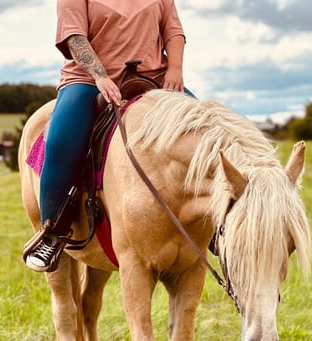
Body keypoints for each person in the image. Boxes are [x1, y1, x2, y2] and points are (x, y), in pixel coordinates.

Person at [23, 0, 188, 272]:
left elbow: (173, 31)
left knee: (203, 130)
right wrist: (100, 76)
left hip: (153, 78)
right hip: (89, 81)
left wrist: (175, 69)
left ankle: (214, 225)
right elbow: (74, 37)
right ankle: (52, 231)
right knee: (61, 141)